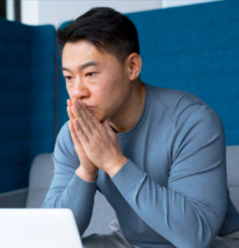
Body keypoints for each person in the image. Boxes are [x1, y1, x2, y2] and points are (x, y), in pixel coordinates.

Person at [42, 7, 239, 248]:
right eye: (69, 77)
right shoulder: (75, 134)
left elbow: (195, 237)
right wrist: (86, 170)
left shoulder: (192, 121)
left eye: (90, 73)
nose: (77, 91)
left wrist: (114, 163)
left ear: (132, 67)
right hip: (132, 243)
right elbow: (50, 237)